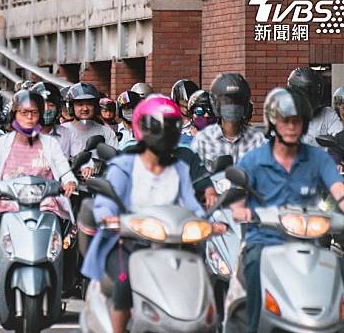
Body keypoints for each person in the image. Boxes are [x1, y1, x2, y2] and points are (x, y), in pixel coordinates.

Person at [81, 96, 226, 333]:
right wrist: (109, 217)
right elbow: (107, 200)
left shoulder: (179, 167)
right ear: (143, 128)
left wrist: (208, 221)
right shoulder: (125, 164)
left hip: (173, 244)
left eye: (170, 127)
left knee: (201, 276)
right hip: (129, 242)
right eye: (158, 127)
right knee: (124, 281)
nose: (164, 134)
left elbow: (190, 202)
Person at [230, 86, 344, 333]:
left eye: (297, 121)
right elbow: (238, 197)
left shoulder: (318, 158)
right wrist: (242, 211)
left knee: (342, 268)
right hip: (264, 241)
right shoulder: (254, 160)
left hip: (307, 242)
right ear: (273, 123)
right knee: (254, 266)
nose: (292, 126)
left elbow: (339, 188)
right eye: (286, 121)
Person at [0, 89, 77, 281]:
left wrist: (69, 181)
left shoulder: (49, 143)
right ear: (14, 114)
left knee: (65, 241)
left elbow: (63, 170)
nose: (29, 117)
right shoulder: (2, 143)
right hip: (9, 206)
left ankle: (62, 282)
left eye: (34, 112)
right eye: (24, 112)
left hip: (47, 206)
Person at [191, 73, 265, 168]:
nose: (232, 107)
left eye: (237, 101)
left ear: (245, 104)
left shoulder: (258, 141)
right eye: (227, 102)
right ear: (216, 105)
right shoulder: (203, 140)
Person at [64, 82, 118, 179]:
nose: (85, 108)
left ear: (96, 106)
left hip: (100, 183)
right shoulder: (63, 131)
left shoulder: (106, 132)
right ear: (71, 106)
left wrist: (97, 166)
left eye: (89, 104)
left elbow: (114, 160)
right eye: (80, 104)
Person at [287, 67, 343, 146]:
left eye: (314, 92)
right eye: (307, 92)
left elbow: (339, 137)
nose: (311, 96)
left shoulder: (328, 114)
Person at [31, 81, 72, 158]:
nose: (46, 109)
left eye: (51, 105)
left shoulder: (67, 134)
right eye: (42, 105)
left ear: (58, 108)